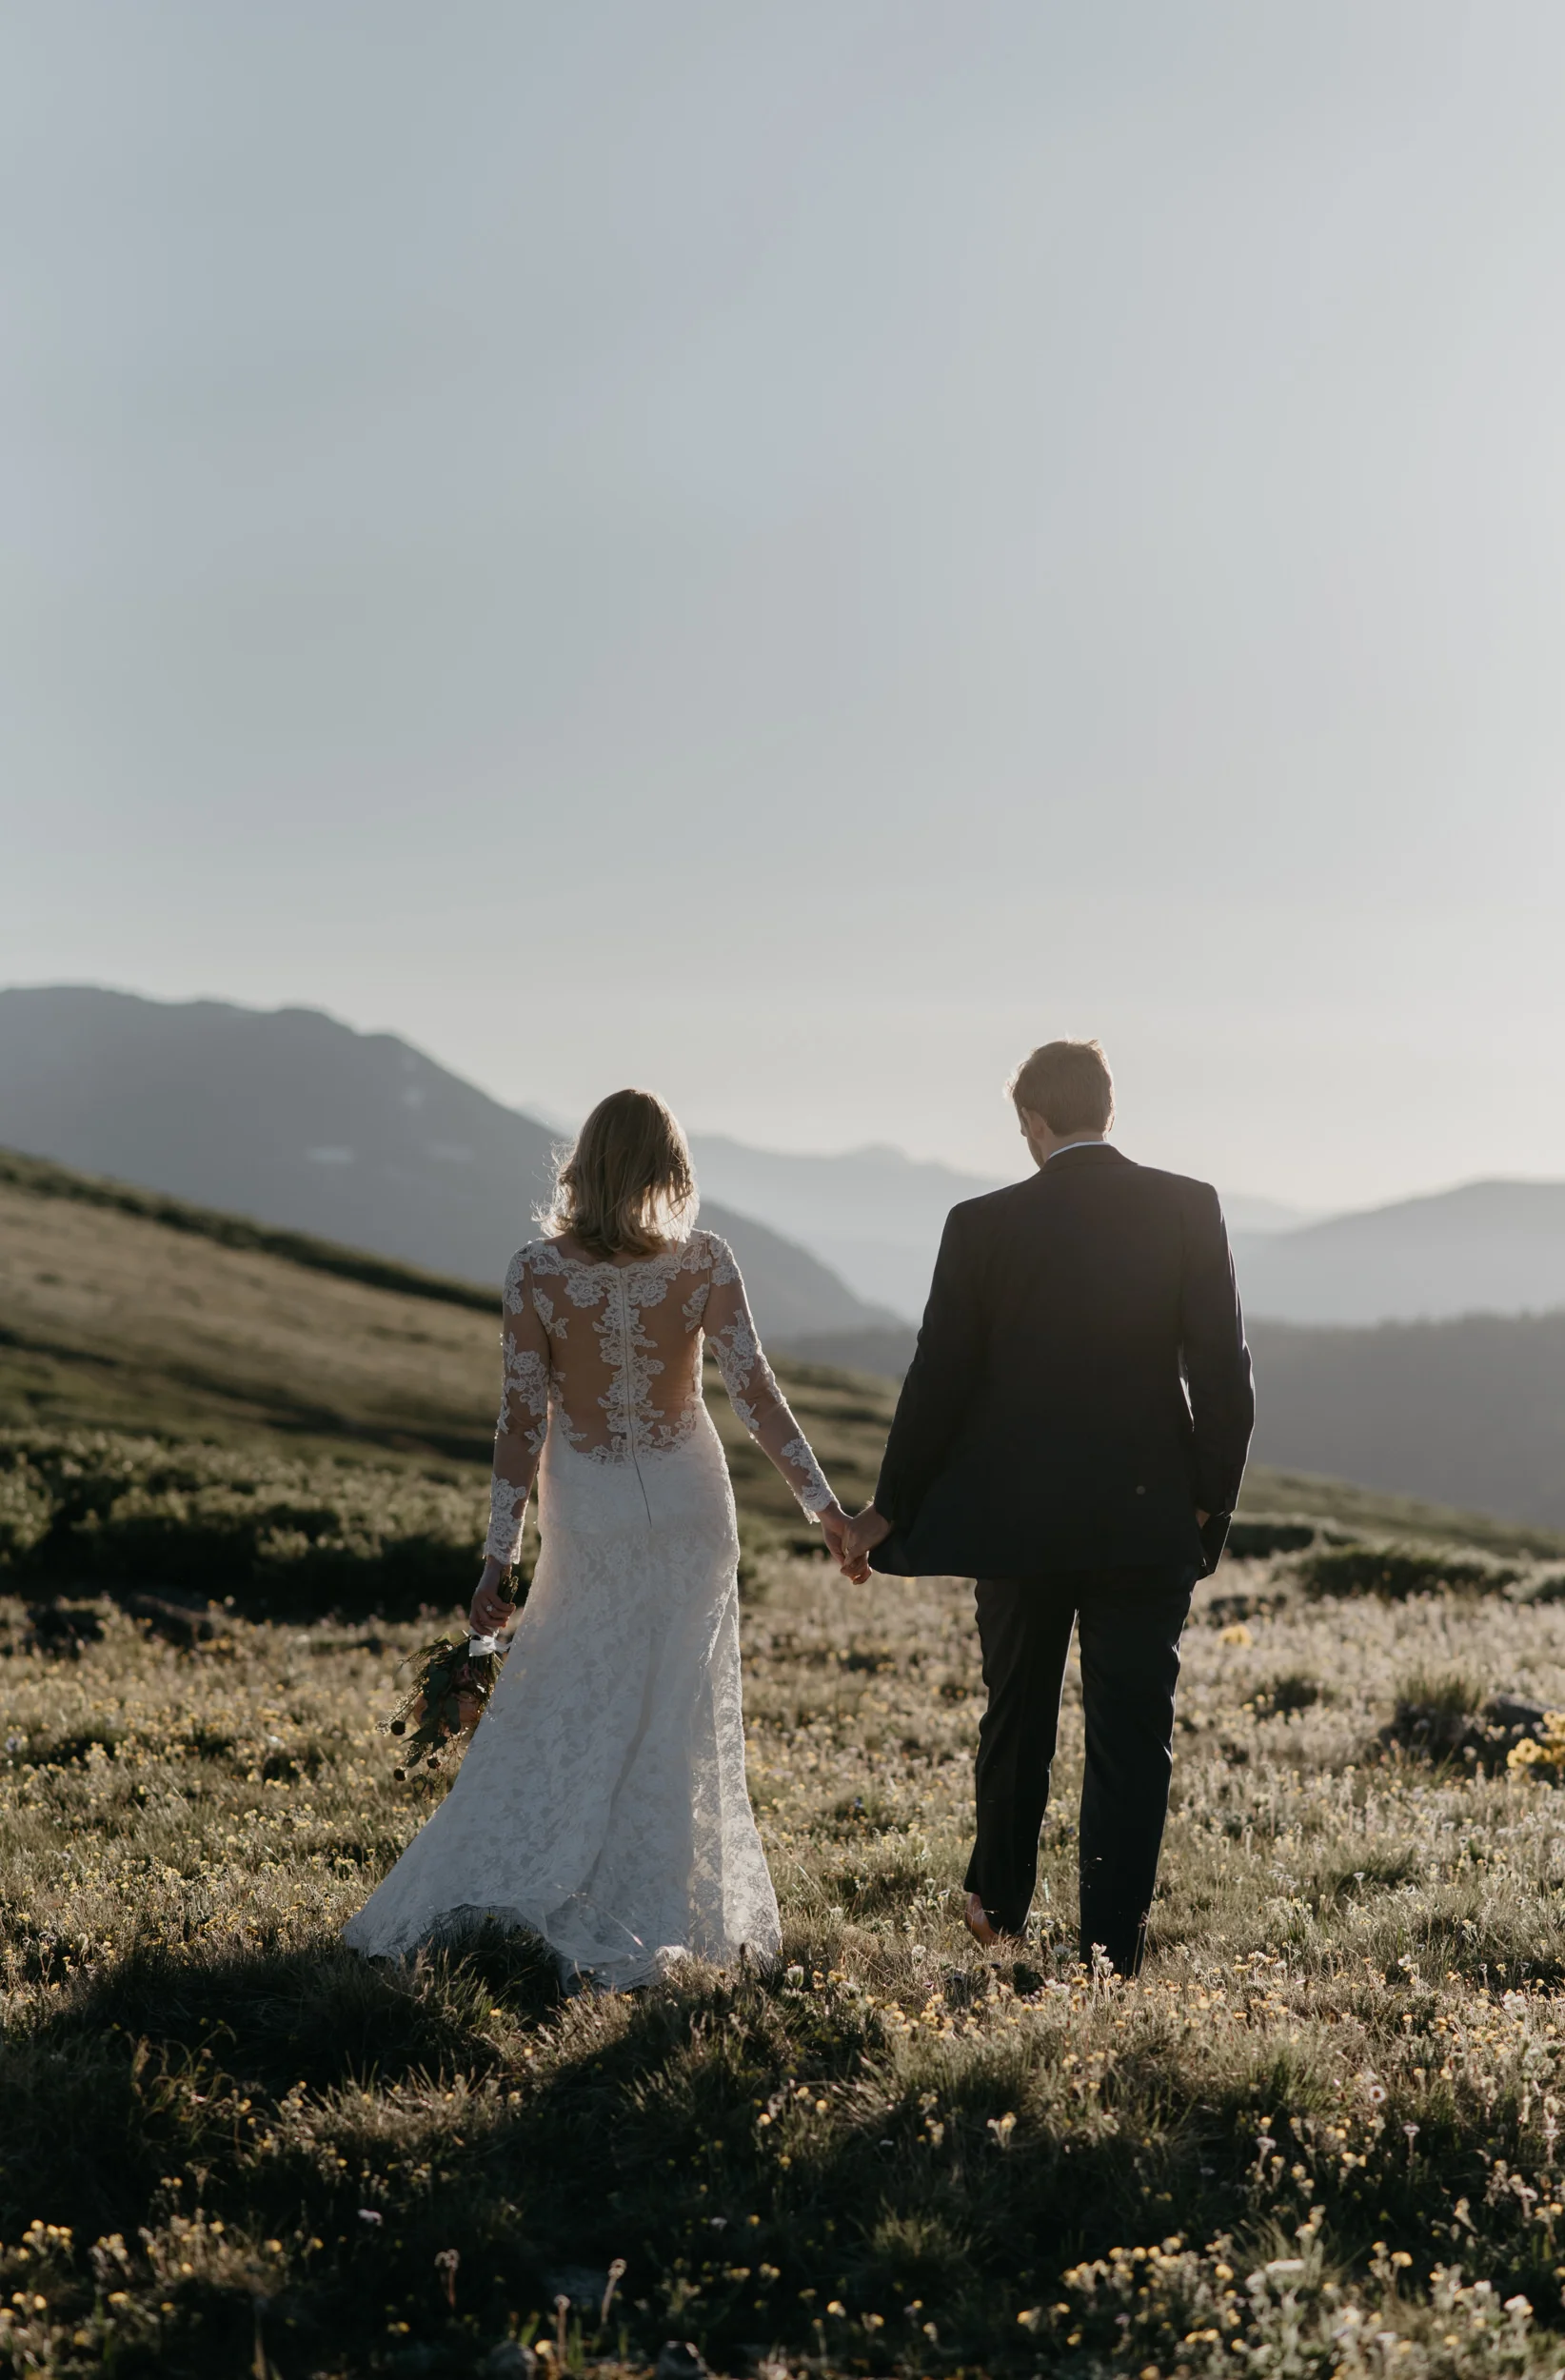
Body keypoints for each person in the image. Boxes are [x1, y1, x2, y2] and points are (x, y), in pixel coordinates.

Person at [346, 1088, 862, 1988]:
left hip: (591, 1512)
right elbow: (756, 1394)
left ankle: (548, 1878)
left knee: (566, 1694)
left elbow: (521, 1423)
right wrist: (827, 1510)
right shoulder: (705, 1261)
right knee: (676, 1711)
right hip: (693, 1507)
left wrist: (498, 1560)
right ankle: (657, 1903)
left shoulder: (535, 1274)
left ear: (582, 1166)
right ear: (670, 1168)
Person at [841, 1039, 1254, 1975]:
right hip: (1147, 1521)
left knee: (1017, 1716)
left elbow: (939, 1380)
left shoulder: (980, 1223)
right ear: (1108, 1107)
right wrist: (1204, 1508)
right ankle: (1112, 1951)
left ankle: (998, 1908)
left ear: (1033, 1121)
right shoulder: (1188, 1206)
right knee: (1132, 1740)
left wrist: (884, 1510)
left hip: (1016, 1525)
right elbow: (1225, 1377)